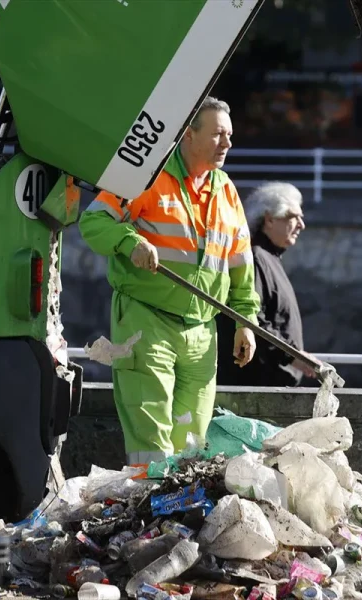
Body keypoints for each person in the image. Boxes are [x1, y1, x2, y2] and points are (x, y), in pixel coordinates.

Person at [78, 96, 261, 469]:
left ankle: (180, 513)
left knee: (192, 439)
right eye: (217, 134)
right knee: (152, 436)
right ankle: (152, 514)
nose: (227, 143)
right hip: (147, 321)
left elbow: (241, 265)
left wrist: (246, 323)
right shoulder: (148, 177)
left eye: (229, 135)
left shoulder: (225, 190)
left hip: (202, 331)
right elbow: (93, 222)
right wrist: (131, 243)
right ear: (187, 136)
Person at [216, 181, 315, 387]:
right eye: (293, 217)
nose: (301, 225)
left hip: (268, 383)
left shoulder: (268, 257)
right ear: (269, 219)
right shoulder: (256, 257)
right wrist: (292, 355)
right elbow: (254, 319)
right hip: (256, 384)